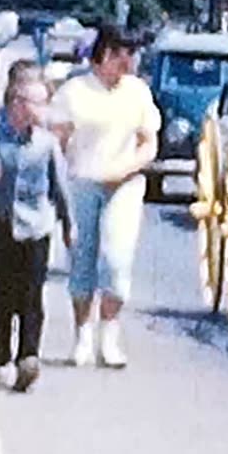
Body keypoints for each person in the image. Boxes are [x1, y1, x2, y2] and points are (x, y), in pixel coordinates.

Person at [46, 24, 160, 369]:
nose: (128, 61)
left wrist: (125, 169)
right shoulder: (74, 91)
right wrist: (69, 175)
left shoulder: (137, 93)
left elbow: (149, 143)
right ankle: (82, 335)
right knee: (82, 260)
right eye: (122, 53)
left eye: (131, 54)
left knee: (115, 260)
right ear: (103, 54)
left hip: (123, 184)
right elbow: (58, 139)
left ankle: (109, 336)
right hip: (83, 181)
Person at [0, 79, 74, 392]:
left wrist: (70, 225)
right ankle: (0, 358)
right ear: (17, 104)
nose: (42, 110)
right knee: (1, 293)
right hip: (4, 226)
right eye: (37, 102)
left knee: (32, 295)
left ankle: (28, 356)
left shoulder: (46, 144)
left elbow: (60, 188)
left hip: (37, 228)